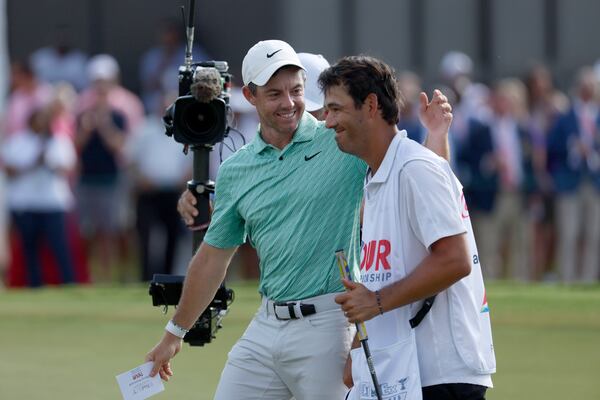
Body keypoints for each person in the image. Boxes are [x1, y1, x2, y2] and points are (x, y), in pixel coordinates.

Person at [145, 40, 451, 399]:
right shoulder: (236, 170)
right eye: (274, 94)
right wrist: (173, 334)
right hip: (266, 324)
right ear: (250, 95)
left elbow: (420, 175)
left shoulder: (339, 141)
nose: (288, 103)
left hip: (328, 323)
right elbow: (213, 258)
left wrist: (437, 136)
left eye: (296, 91)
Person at [320, 56, 496, 399]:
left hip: (438, 373)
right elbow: (385, 273)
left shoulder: (414, 168)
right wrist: (359, 345)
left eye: (336, 109)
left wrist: (376, 302)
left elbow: (453, 260)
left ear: (370, 105)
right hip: (403, 370)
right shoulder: (380, 175)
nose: (328, 122)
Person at [1, 107, 77, 287]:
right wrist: (33, 163)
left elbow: (68, 168)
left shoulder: (58, 142)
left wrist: (48, 162)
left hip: (52, 203)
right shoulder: (18, 141)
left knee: (59, 246)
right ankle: (34, 284)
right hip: (25, 203)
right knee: (29, 248)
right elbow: (10, 170)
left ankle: (69, 283)